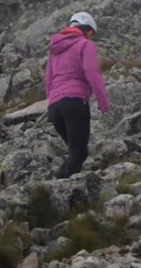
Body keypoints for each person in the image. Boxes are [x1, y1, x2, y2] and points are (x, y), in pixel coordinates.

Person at [45, 12, 111, 179]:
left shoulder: (55, 50)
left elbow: (49, 80)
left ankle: (55, 186)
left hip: (54, 106)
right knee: (79, 153)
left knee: (75, 151)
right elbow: (92, 73)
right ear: (86, 29)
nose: (91, 38)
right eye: (91, 34)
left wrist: (51, 103)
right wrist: (104, 104)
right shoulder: (85, 45)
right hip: (75, 102)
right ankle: (65, 197)